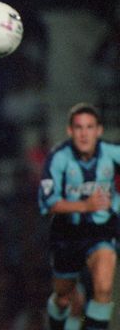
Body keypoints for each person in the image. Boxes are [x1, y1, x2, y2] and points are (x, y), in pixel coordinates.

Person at [38, 103, 120, 330]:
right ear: (70, 131)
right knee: (64, 297)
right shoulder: (58, 159)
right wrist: (85, 205)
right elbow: (48, 202)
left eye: (90, 127)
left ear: (99, 130)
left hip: (101, 232)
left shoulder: (112, 154)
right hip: (68, 234)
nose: (84, 133)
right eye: (79, 127)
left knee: (103, 289)